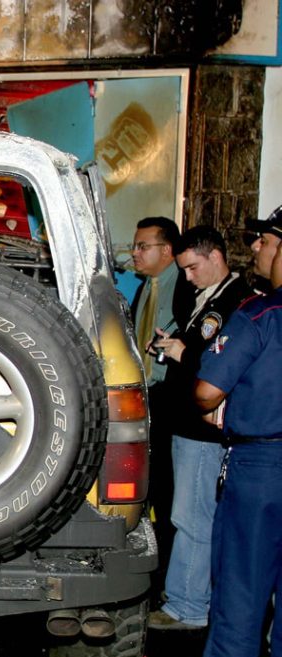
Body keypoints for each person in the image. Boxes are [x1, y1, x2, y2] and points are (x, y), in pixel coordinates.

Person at [193, 204, 282, 657]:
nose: (256, 248)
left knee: (241, 599)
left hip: (262, 468)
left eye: (266, 240)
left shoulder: (258, 313)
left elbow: (207, 391)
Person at [149, 225, 250, 630]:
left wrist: (182, 351)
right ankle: (186, 600)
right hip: (187, 425)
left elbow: (220, 363)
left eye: (192, 268)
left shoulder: (236, 301)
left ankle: (188, 607)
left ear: (215, 256)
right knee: (186, 514)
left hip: (202, 430)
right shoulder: (206, 297)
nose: (187, 277)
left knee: (192, 517)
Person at [129, 216, 194, 576]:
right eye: (135, 247)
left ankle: (169, 572)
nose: (135, 253)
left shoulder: (185, 288)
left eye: (143, 246)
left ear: (167, 251)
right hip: (145, 402)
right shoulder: (146, 288)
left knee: (171, 495)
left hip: (170, 406)